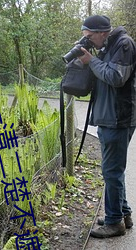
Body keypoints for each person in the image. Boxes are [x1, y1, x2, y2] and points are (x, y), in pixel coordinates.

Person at [78, 15, 136, 238]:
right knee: (113, 171)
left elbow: (115, 77)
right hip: (108, 117)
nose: (89, 41)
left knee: (111, 171)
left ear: (102, 32)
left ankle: (114, 223)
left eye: (90, 37)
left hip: (118, 118)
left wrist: (91, 61)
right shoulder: (107, 46)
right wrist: (88, 60)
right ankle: (123, 214)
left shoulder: (124, 44)